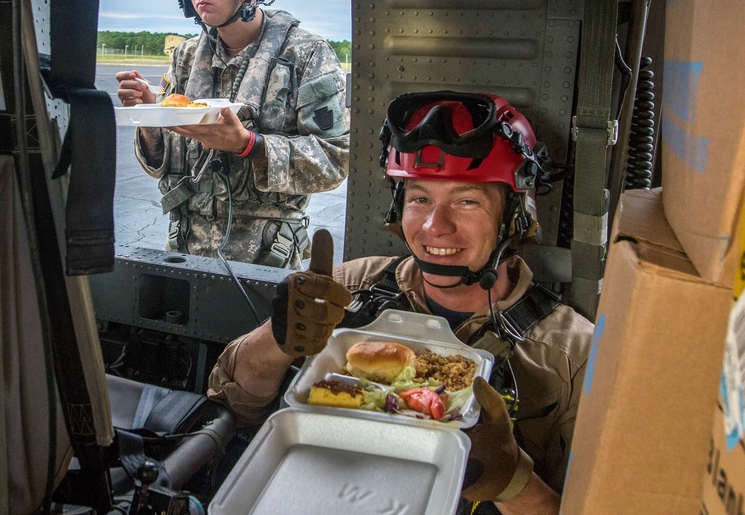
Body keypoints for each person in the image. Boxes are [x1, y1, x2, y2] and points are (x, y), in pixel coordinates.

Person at [206, 91, 594, 514]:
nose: (434, 226)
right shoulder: (351, 286)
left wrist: (512, 482)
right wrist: (278, 339)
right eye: (420, 199)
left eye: (467, 201)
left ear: (514, 215)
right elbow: (230, 405)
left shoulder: (573, 353)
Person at [116, 0, 349, 269]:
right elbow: (161, 165)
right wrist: (152, 117)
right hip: (183, 255)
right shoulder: (186, 57)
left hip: (265, 262)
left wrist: (248, 144)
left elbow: (334, 160)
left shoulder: (306, 54)